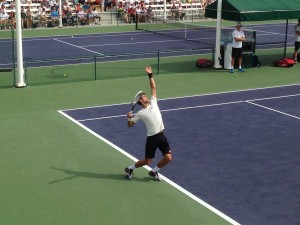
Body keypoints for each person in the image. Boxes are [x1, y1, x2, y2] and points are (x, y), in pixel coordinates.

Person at [125, 66, 172, 181]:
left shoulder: (153, 102)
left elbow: (153, 87)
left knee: (168, 158)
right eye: (144, 96)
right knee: (147, 161)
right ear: (140, 101)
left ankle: (154, 171)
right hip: (152, 138)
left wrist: (150, 75)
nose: (146, 96)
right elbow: (130, 125)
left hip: (162, 135)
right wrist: (129, 118)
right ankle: (130, 168)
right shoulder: (140, 113)